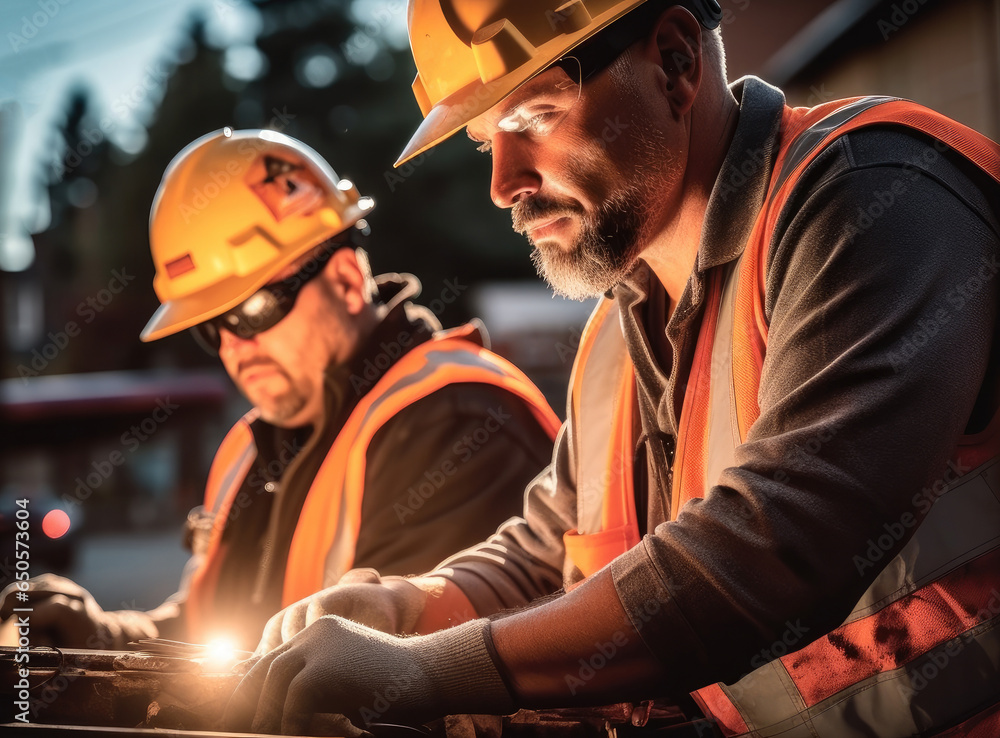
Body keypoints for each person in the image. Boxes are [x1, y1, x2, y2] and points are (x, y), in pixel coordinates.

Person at [225, 2, 1000, 736]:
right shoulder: (613, 337)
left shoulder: (874, 198)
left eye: (534, 117)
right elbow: (547, 553)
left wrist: (431, 669)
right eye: (485, 139)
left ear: (674, 61)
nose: (504, 184)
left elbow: (778, 545)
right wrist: (407, 605)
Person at [0, 129, 560, 652]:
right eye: (209, 326)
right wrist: (110, 638)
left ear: (344, 281)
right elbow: (214, 635)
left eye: (250, 311)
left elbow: (389, 683)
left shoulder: (457, 419)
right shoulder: (249, 448)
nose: (232, 347)